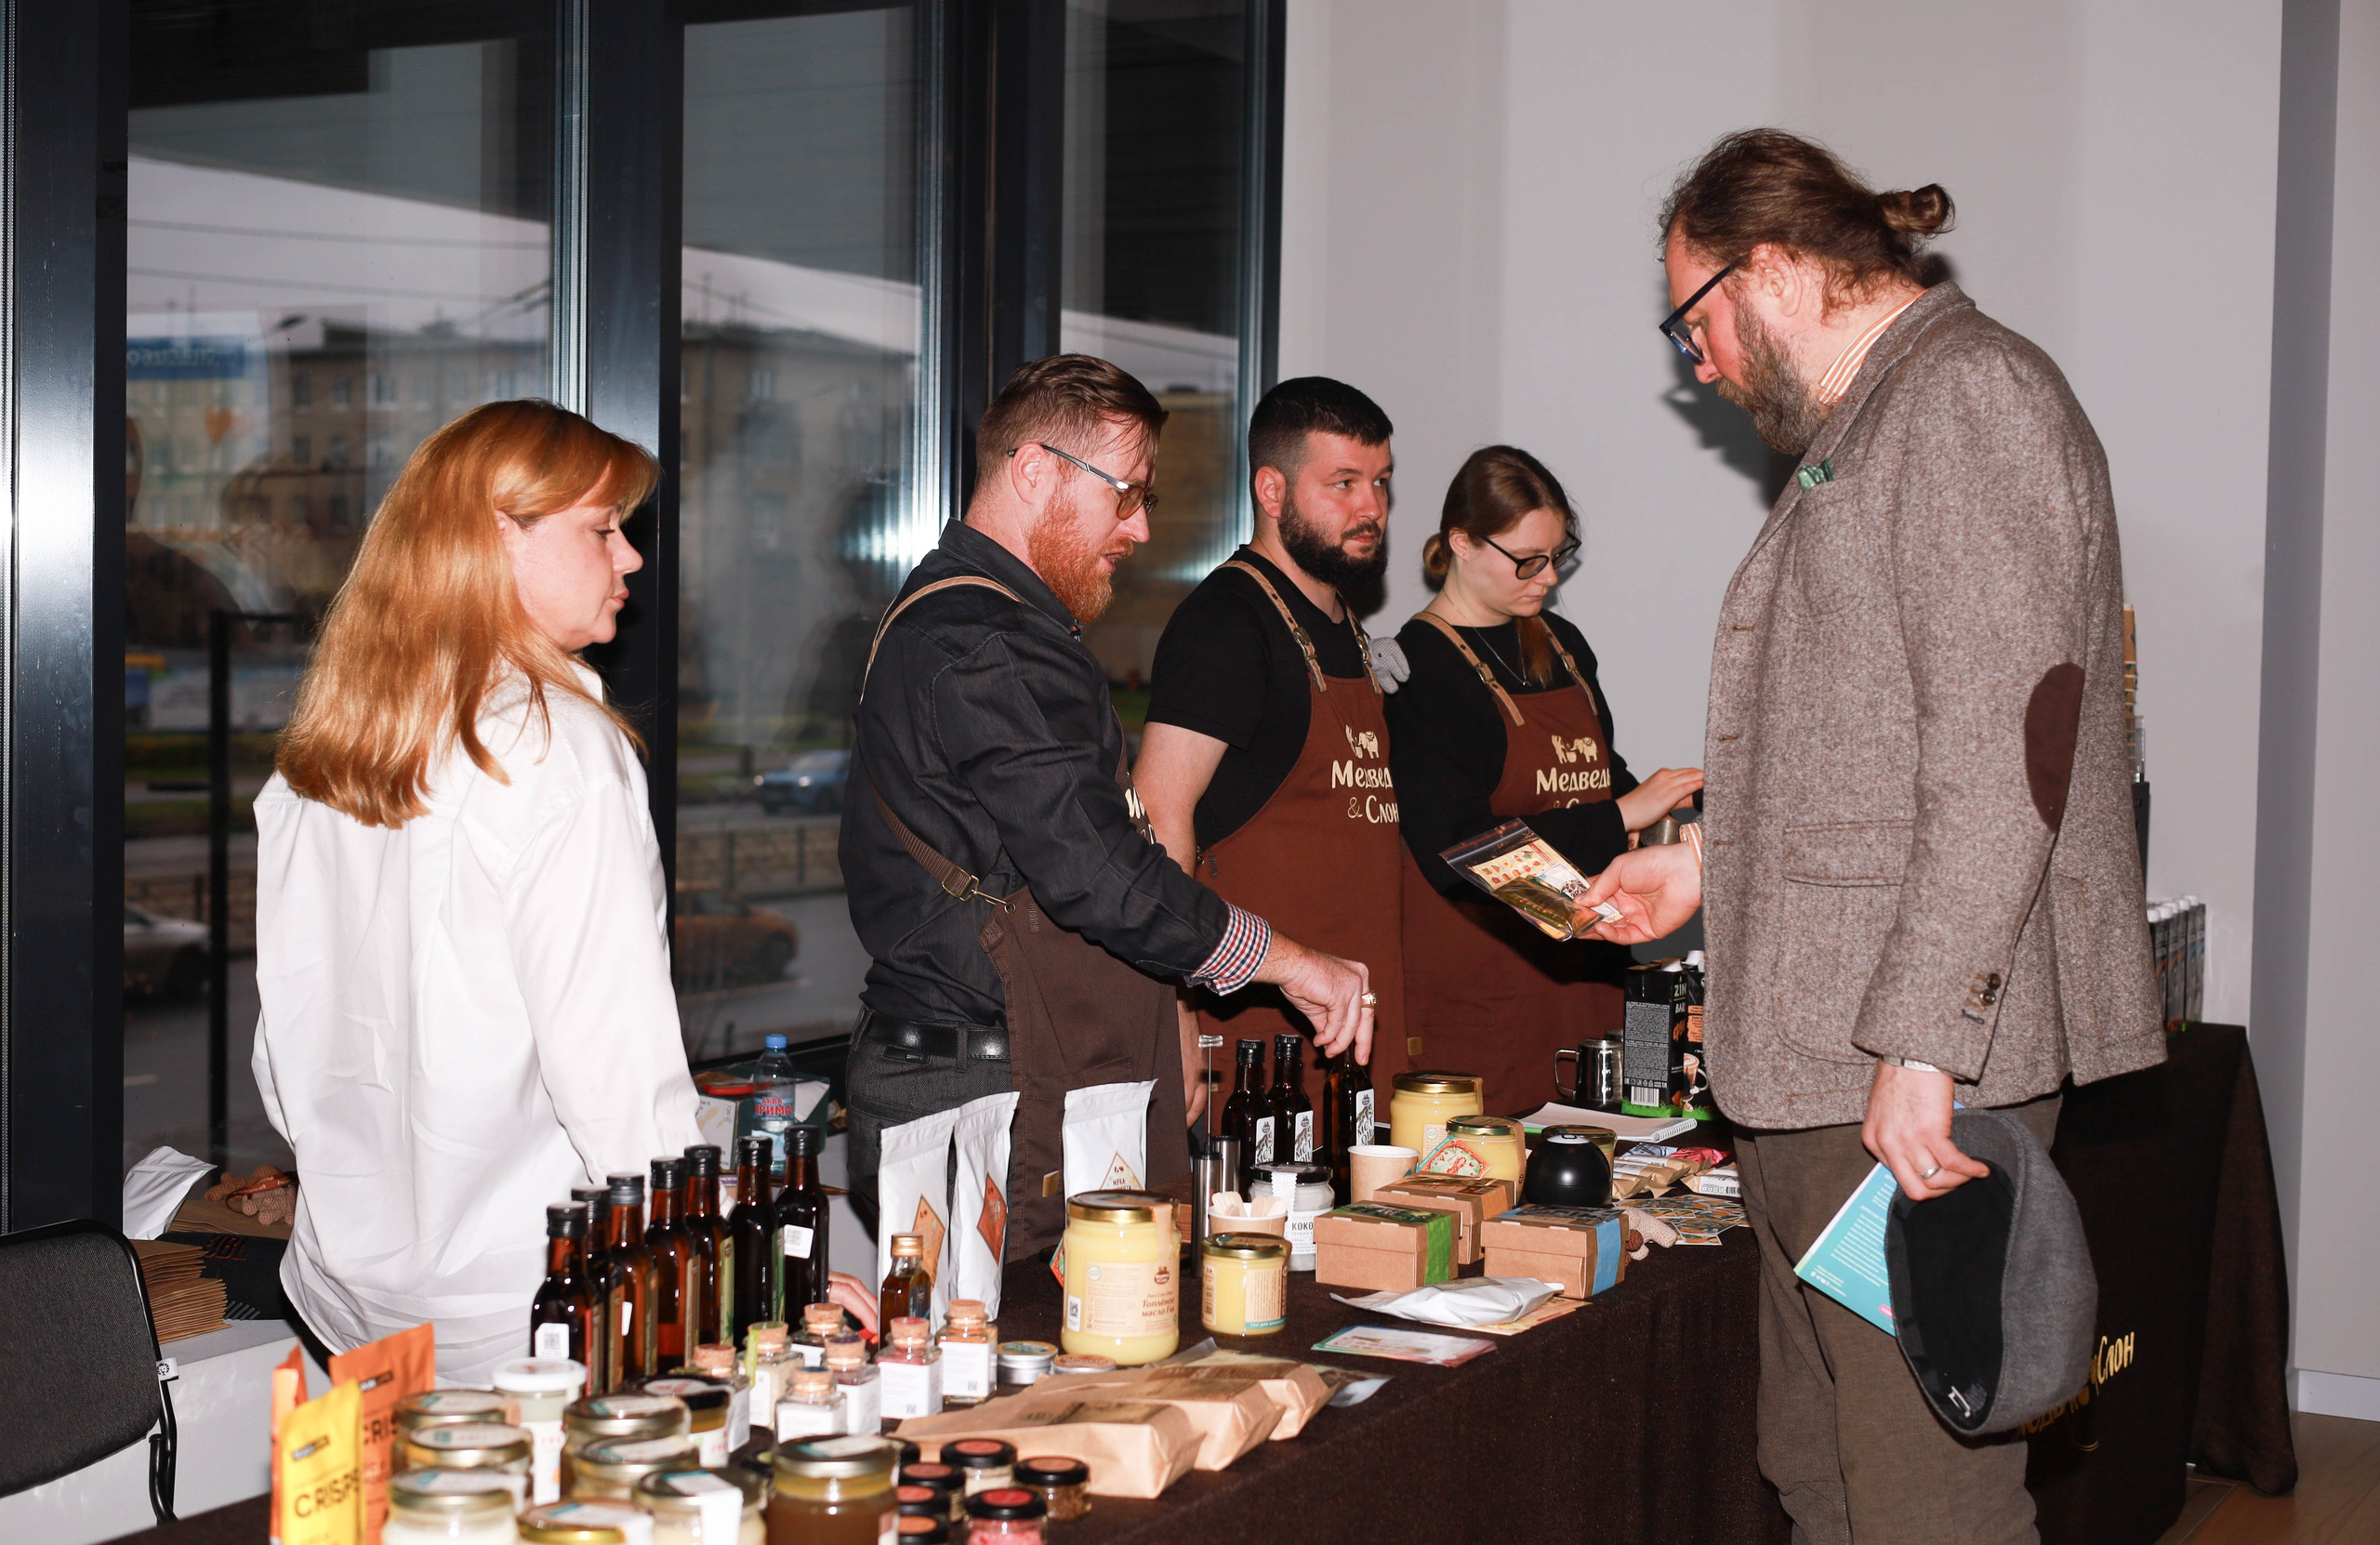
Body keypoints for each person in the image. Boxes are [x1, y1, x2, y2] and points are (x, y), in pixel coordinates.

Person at [1582, 130, 2162, 1544]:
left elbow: (2001, 762)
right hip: (1824, 1072)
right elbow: (1872, 753)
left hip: (1899, 1080)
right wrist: (1707, 861)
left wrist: (1927, 1047)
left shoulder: (1966, 402)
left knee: (1928, 1500)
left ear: (1772, 270)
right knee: (1821, 1461)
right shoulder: (1878, 424)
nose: (1696, 363)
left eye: (1695, 320)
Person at [840, 354, 1376, 1255]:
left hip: (1004, 1071)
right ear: (1034, 472)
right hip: (972, 1092)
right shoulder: (984, 641)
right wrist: (1287, 963)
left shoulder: (984, 619)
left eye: (1145, 500)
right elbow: (1096, 872)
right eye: (1122, 494)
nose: (1136, 529)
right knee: (991, 1378)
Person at [255, 400, 704, 1383]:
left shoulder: (328, 748)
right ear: (497, 535)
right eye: (600, 530)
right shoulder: (558, 746)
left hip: (348, 1297)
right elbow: (618, 1080)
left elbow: (286, 1054)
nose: (629, 559)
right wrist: (723, 1285)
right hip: (521, 1312)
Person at [1386, 446, 1701, 1114]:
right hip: (1489, 987)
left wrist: (1677, 814)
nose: (1550, 576)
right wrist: (1622, 816)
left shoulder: (1561, 642)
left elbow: (1600, 777)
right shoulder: (1423, 668)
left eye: (1561, 554)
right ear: (1462, 543)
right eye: (1529, 560)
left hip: (1589, 969)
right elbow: (1460, 850)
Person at [1135, 377, 1403, 1132]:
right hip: (1258, 1041)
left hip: (1354, 1027)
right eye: (1343, 484)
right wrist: (1178, 1020)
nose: (1371, 508)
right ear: (1272, 488)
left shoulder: (1346, 622)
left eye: (1380, 483)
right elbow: (1160, 817)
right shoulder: (1226, 623)